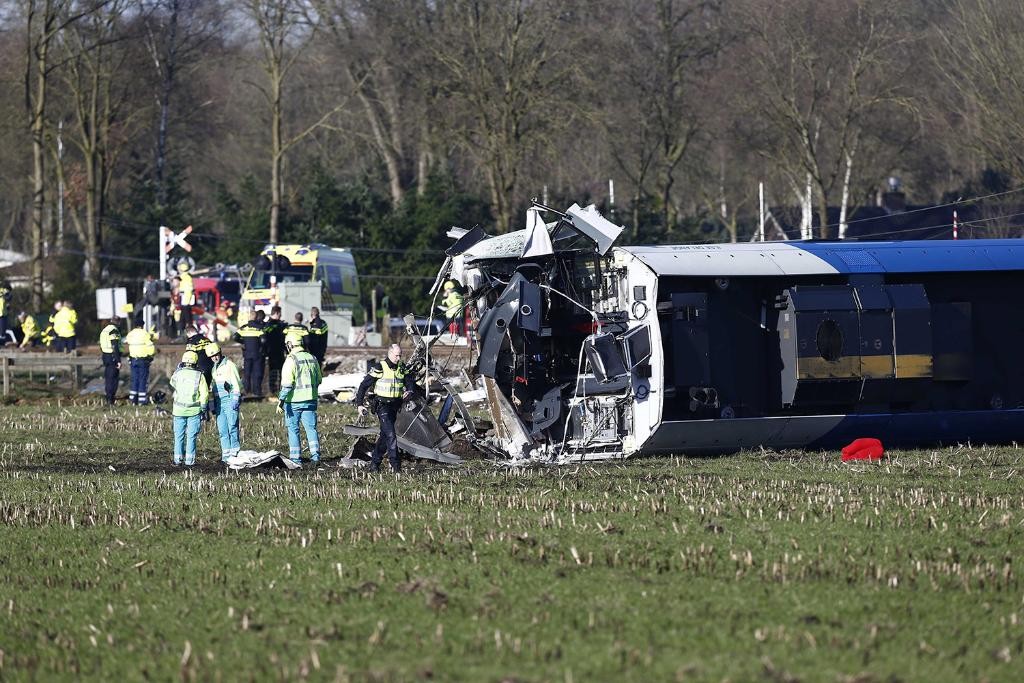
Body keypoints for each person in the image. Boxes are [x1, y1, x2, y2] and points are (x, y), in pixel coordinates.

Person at [354, 343, 417, 473]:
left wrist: (410, 391)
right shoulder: (379, 367)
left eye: (400, 355)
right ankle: (396, 466)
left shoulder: (401, 367)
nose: (399, 358)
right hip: (382, 406)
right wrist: (359, 404)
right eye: (396, 356)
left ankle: (374, 463)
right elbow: (363, 386)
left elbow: (410, 381)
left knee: (384, 436)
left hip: (395, 405)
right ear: (389, 354)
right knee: (391, 435)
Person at [277, 336, 323, 464]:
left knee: (293, 429)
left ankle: (296, 458)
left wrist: (280, 401)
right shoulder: (313, 358)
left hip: (294, 402)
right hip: (311, 400)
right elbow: (319, 379)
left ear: (290, 345)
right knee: (311, 428)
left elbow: (287, 385)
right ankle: (315, 456)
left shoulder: (291, 360)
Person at [170, 350, 209, 467]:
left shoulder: (178, 374)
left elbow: (172, 383)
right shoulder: (199, 375)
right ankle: (189, 462)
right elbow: (204, 393)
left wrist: (178, 370)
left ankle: (177, 460)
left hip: (178, 411)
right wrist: (203, 407)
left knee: (178, 436)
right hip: (194, 411)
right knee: (191, 436)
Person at [207, 342, 242, 462]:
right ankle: (226, 455)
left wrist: (235, 399)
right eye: (212, 356)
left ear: (220, 353)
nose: (215, 358)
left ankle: (235, 454)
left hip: (229, 400)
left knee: (232, 427)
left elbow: (236, 383)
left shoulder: (229, 365)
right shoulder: (213, 369)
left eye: (216, 355)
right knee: (222, 430)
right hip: (219, 403)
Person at [124, 318, 157, 404]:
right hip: (143, 360)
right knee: (143, 379)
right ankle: (142, 400)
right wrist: (151, 355)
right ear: (142, 325)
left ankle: (132, 400)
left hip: (133, 359)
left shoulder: (130, 334)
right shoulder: (144, 334)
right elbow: (150, 347)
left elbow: (126, 342)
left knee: (134, 379)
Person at [234, 310, 266, 397]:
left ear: (249, 317)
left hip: (247, 354)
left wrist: (243, 341)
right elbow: (264, 340)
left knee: (247, 374)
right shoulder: (259, 328)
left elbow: (235, 337)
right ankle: (257, 392)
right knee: (257, 373)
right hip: (257, 354)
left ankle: (246, 392)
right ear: (256, 317)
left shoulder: (244, 328)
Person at [98, 315, 122, 405]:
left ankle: (108, 397)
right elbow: (115, 345)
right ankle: (111, 399)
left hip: (105, 356)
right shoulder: (114, 330)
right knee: (113, 379)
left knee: (108, 378)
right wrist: (118, 360)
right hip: (112, 356)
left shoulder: (104, 330)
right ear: (118, 322)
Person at [263, 306, 287, 396]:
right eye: (280, 313)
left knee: (275, 371)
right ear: (277, 313)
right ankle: (277, 390)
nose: (281, 315)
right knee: (279, 371)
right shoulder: (277, 325)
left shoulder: (267, 325)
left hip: (272, 352)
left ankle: (273, 390)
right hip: (276, 351)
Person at [177, 262, 195, 332]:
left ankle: (185, 332)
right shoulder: (186, 277)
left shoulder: (185, 277)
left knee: (186, 318)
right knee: (184, 318)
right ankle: (183, 332)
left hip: (185, 300)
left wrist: (186, 302)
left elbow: (188, 290)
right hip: (184, 300)